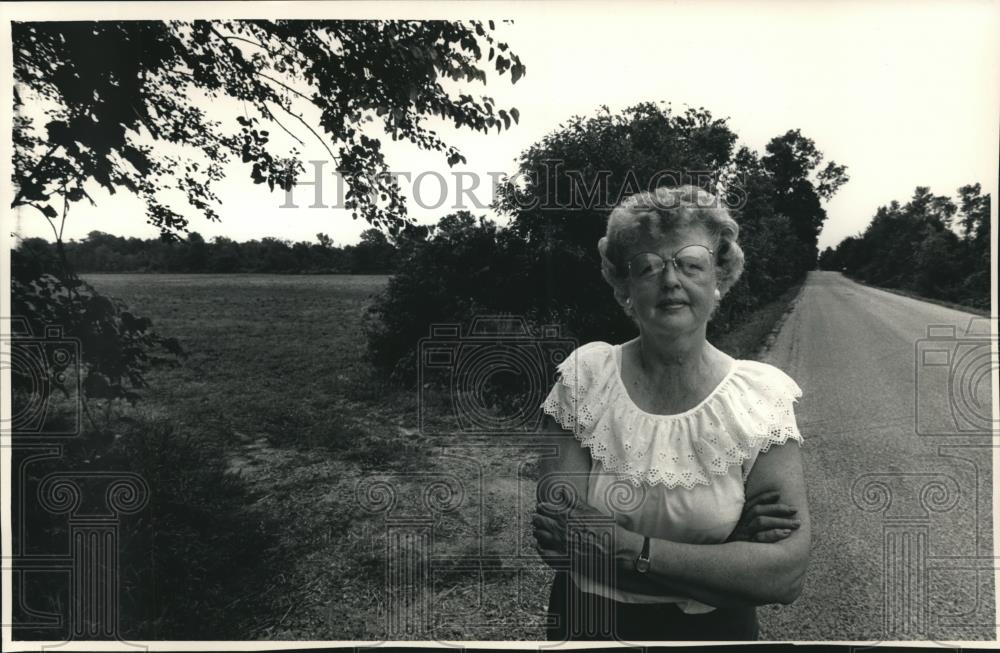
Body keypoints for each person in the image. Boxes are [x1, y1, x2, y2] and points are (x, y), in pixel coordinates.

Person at [531, 185, 810, 641]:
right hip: (590, 632)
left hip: (716, 639)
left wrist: (624, 548)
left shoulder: (762, 397)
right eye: (648, 267)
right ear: (624, 286)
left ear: (719, 277)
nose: (670, 281)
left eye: (690, 264)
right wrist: (727, 560)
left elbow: (784, 577)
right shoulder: (584, 378)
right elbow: (560, 546)